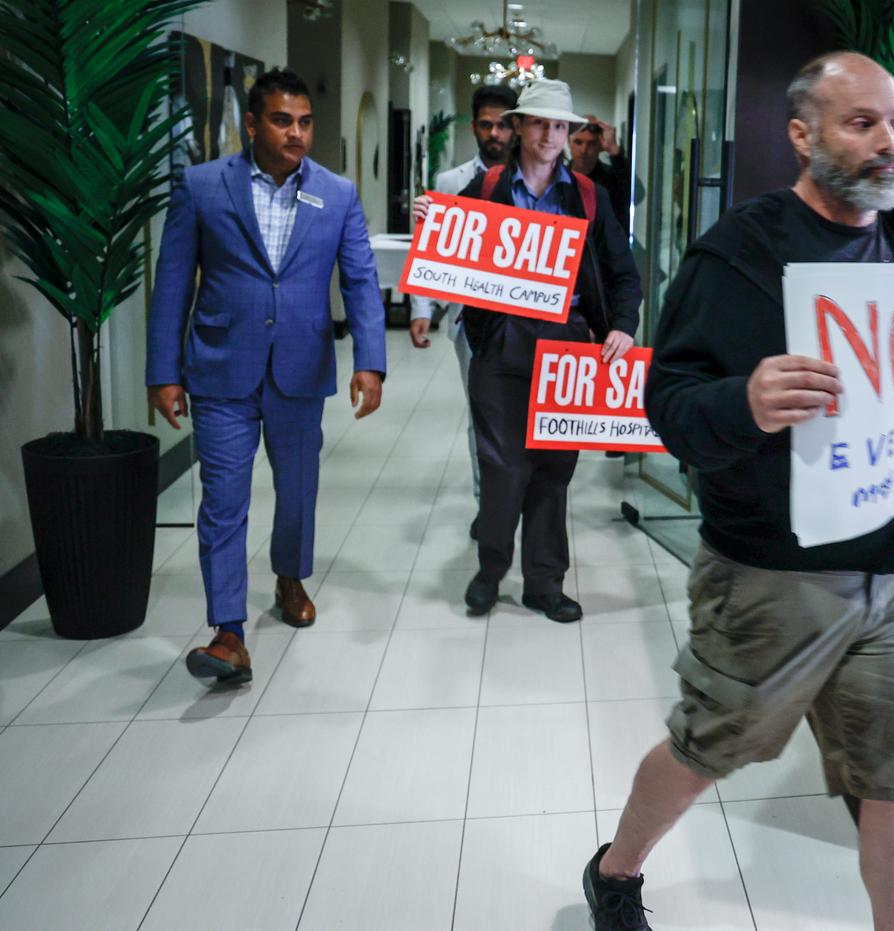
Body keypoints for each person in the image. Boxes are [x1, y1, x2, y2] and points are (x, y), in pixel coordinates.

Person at [581, 52, 894, 930]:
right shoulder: (738, 254)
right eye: (863, 123)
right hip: (770, 575)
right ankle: (617, 872)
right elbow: (670, 405)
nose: (891, 142)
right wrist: (746, 399)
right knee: (708, 746)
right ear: (802, 135)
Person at [147, 68, 386, 686]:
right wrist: (162, 371)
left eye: (305, 121)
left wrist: (369, 361)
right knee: (223, 503)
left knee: (297, 492)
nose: (297, 133)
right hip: (221, 368)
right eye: (282, 120)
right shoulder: (202, 186)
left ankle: (288, 575)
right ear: (252, 124)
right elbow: (173, 281)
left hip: (301, 369)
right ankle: (228, 631)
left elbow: (360, 279)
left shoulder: (337, 194)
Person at [415, 79, 642, 622]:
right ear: (519, 126)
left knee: (554, 471)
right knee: (501, 469)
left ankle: (545, 583)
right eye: (539, 123)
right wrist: (432, 221)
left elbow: (622, 273)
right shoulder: (488, 187)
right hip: (500, 346)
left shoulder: (588, 196)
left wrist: (625, 326)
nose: (549, 135)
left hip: (566, 348)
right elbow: (452, 250)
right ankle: (490, 571)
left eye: (559, 126)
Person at [408, 84, 518, 538]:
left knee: (524, 421)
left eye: (503, 124)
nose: (495, 133)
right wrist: (421, 307)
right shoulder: (453, 182)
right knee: (482, 420)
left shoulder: (534, 178)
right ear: (474, 127)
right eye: (486, 124)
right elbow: (433, 252)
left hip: (527, 323)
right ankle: (488, 507)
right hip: (470, 323)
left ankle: (521, 503)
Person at [568, 116, 632, 236]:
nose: (584, 150)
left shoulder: (612, 179)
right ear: (569, 143)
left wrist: (614, 151)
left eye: (591, 144)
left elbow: (634, 194)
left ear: (600, 146)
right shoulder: (557, 178)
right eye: (578, 142)